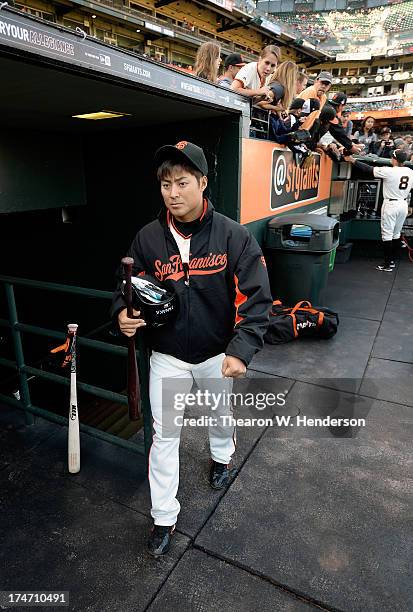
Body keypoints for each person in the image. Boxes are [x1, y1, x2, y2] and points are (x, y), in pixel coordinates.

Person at [111, 141, 272, 556]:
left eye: (182, 183)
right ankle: (163, 516)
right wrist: (122, 316)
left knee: (220, 414)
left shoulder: (233, 235)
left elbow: (257, 299)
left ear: (203, 183)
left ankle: (221, 456)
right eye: (166, 184)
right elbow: (126, 289)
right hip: (166, 356)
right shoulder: (147, 238)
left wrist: (241, 349)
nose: (173, 193)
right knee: (164, 437)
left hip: (217, 353)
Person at [344, 149, 413, 271]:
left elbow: (368, 169)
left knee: (387, 235)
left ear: (394, 159)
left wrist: (352, 160)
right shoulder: (409, 171)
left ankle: (387, 264)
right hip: (403, 204)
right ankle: (392, 262)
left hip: (391, 204)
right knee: (396, 234)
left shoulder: (389, 171)